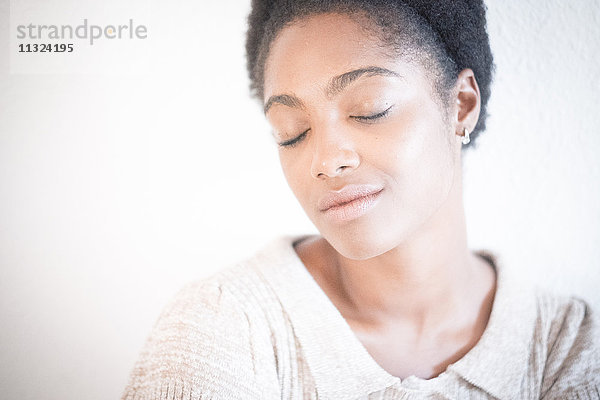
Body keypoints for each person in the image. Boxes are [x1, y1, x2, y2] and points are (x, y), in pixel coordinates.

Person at [121, 1, 600, 399]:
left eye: (370, 109)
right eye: (292, 133)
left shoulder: (569, 345)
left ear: (461, 105)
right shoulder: (225, 326)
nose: (325, 161)